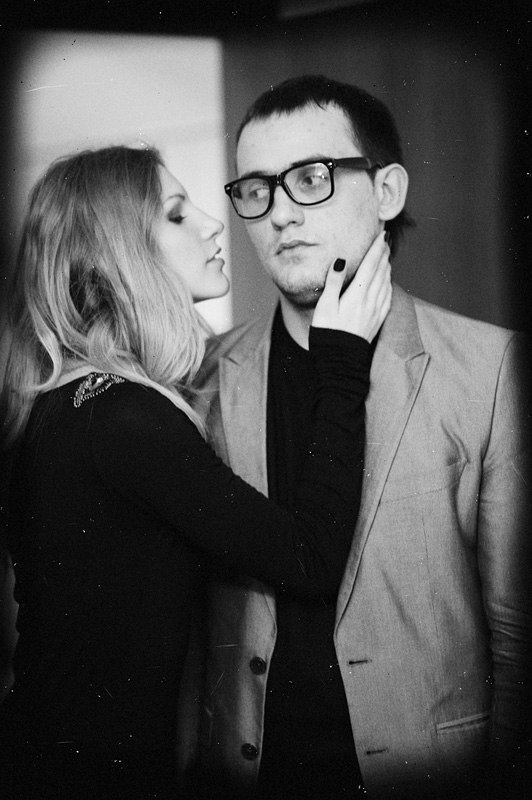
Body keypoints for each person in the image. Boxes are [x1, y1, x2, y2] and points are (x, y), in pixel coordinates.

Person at [0, 144, 392, 799]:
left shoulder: (61, 405)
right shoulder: (125, 419)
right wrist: (344, 363)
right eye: (178, 214)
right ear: (118, 250)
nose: (214, 224)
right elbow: (308, 556)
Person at [189, 75, 532, 799]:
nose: (281, 213)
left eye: (311, 178)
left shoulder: (493, 369)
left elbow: (518, 633)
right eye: (256, 189)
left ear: (387, 192)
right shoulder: (203, 378)